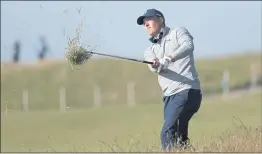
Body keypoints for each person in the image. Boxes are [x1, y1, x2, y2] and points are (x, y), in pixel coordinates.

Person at [136, 8, 202, 151]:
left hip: (186, 90)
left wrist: (169, 58)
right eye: (144, 22)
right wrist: (156, 64)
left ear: (160, 19)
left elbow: (188, 46)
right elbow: (152, 67)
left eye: (149, 19)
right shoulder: (150, 50)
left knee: (167, 133)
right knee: (179, 136)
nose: (146, 23)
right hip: (169, 97)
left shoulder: (178, 32)